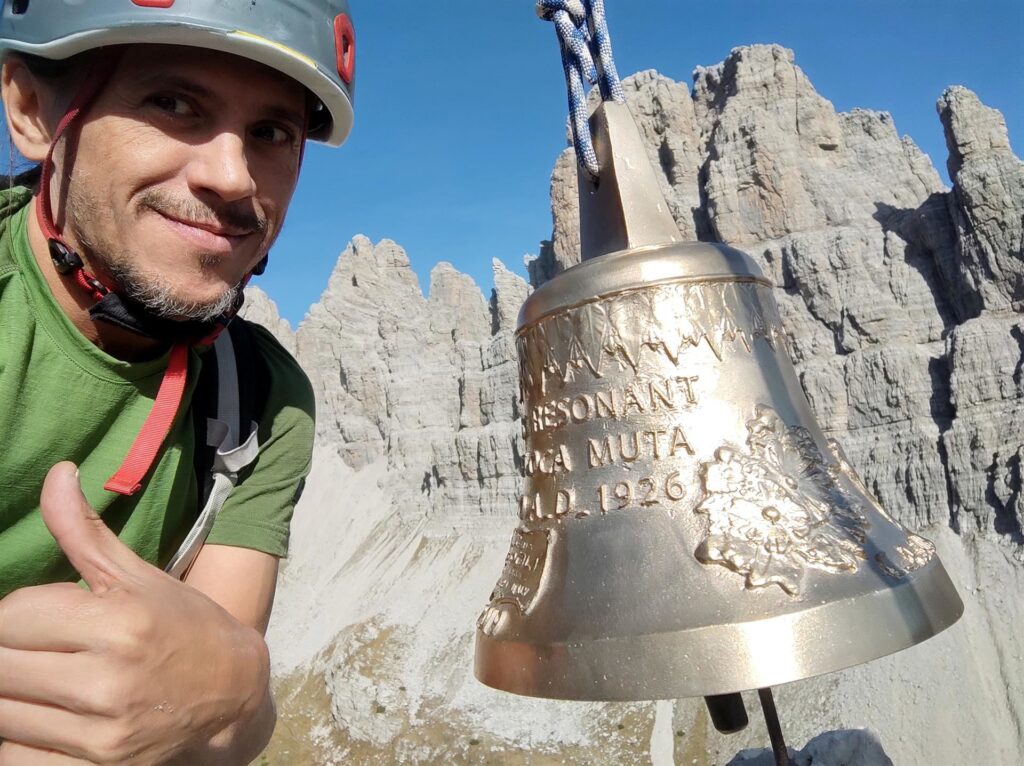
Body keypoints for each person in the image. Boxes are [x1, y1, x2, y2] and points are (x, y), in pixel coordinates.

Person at [0, 2, 356, 763]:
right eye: (172, 102)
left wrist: (243, 689)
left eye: (271, 132)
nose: (231, 177)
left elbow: (212, 712)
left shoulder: (259, 399)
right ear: (31, 111)